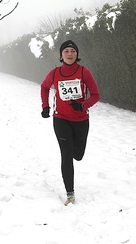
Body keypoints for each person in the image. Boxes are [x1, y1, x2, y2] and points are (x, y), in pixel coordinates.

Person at [40, 40, 100, 206]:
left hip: (81, 120)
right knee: (66, 155)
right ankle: (70, 194)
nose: (69, 54)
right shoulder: (54, 73)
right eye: (66, 51)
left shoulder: (84, 72)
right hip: (61, 119)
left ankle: (74, 147)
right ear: (61, 55)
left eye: (72, 51)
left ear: (77, 54)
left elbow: (96, 95)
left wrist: (82, 105)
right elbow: (44, 87)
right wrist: (45, 106)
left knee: (78, 155)